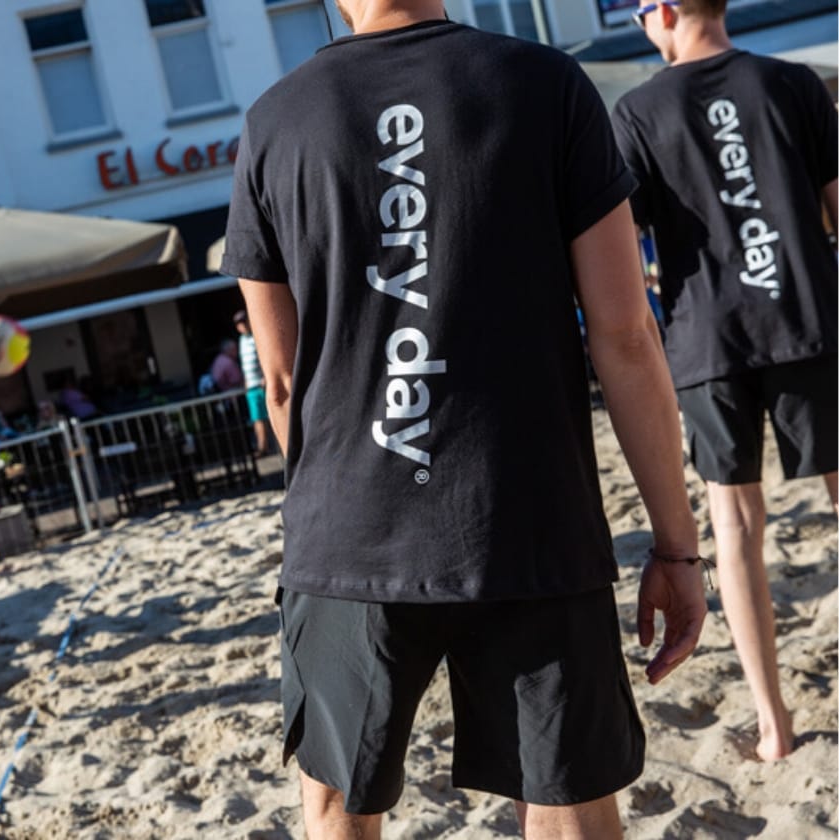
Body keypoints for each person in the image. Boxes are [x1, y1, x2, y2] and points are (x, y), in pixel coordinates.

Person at [220, 2, 707, 837]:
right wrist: (675, 543)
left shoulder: (274, 121)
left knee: (337, 802)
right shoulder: (545, 83)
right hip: (523, 513)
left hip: (349, 528)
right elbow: (626, 338)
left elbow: (282, 379)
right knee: (568, 798)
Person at [611, 0, 837, 760]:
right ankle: (773, 720)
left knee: (735, 531)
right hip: (808, 315)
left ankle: (775, 726)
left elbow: (626, 245)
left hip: (707, 338)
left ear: (666, 11)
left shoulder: (638, 111)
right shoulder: (793, 83)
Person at [234, 310, 272, 456]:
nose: (242, 325)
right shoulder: (241, 340)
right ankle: (263, 447)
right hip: (251, 385)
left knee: (269, 416)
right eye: (239, 324)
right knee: (257, 418)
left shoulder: (257, 335)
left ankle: (272, 446)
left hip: (263, 383)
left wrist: (266, 376)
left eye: (244, 322)